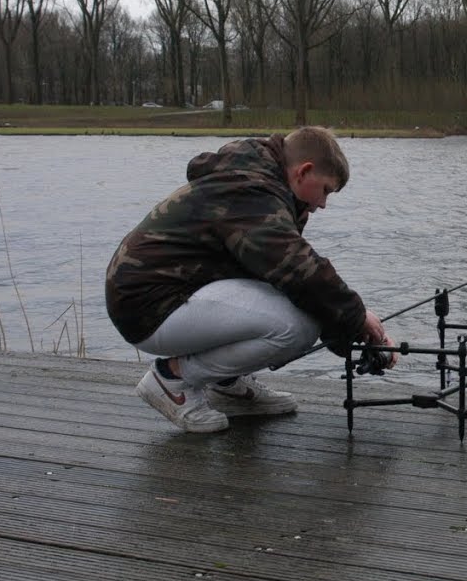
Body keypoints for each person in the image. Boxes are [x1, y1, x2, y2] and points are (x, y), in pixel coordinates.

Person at [105, 126, 395, 433]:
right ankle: (171, 378)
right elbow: (299, 270)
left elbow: (288, 279)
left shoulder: (265, 184)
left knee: (295, 308)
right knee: (298, 327)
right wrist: (357, 318)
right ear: (304, 171)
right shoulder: (251, 192)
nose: (323, 204)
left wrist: (351, 328)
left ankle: (227, 383)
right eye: (325, 190)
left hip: (176, 295)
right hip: (147, 308)